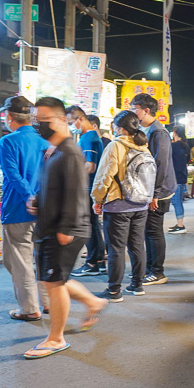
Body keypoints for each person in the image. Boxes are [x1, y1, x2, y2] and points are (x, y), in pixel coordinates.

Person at [24, 96, 106, 359]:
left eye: (44, 120)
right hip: (52, 225)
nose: (39, 125)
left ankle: (56, 338)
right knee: (52, 279)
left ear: (62, 120)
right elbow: (55, 187)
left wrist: (67, 227)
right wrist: (38, 200)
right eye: (37, 120)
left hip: (66, 229)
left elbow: (75, 192)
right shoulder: (54, 150)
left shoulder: (70, 151)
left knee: (54, 282)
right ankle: (93, 301)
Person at [0, 95, 51, 321]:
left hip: (18, 209)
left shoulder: (7, 142)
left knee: (20, 261)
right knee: (41, 258)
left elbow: (13, 175)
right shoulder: (44, 142)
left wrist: (29, 196)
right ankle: (48, 303)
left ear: (10, 117)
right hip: (45, 210)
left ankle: (29, 309)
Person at [91, 110, 154, 301]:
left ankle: (113, 290)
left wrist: (97, 199)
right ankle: (137, 285)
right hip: (140, 204)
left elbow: (104, 176)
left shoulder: (115, 146)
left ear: (119, 128)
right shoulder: (143, 146)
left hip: (118, 204)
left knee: (116, 249)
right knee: (137, 245)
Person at [128, 93, 176, 286]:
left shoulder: (158, 132)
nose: (133, 113)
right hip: (150, 190)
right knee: (149, 231)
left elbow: (160, 164)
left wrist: (154, 194)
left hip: (159, 191)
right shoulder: (147, 130)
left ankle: (157, 272)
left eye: (135, 110)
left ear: (145, 110)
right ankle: (150, 269)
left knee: (154, 231)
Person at [68, 106, 107, 277]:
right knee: (92, 224)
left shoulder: (88, 138)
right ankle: (97, 260)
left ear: (80, 119)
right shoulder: (91, 137)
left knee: (87, 225)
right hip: (90, 188)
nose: (71, 126)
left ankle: (91, 262)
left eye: (71, 122)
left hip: (86, 187)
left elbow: (90, 166)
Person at [167, 125, 189, 234]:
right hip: (182, 175)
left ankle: (180, 226)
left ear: (175, 133)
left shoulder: (173, 146)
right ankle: (180, 223)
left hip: (175, 176)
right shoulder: (185, 146)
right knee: (179, 200)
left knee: (176, 201)